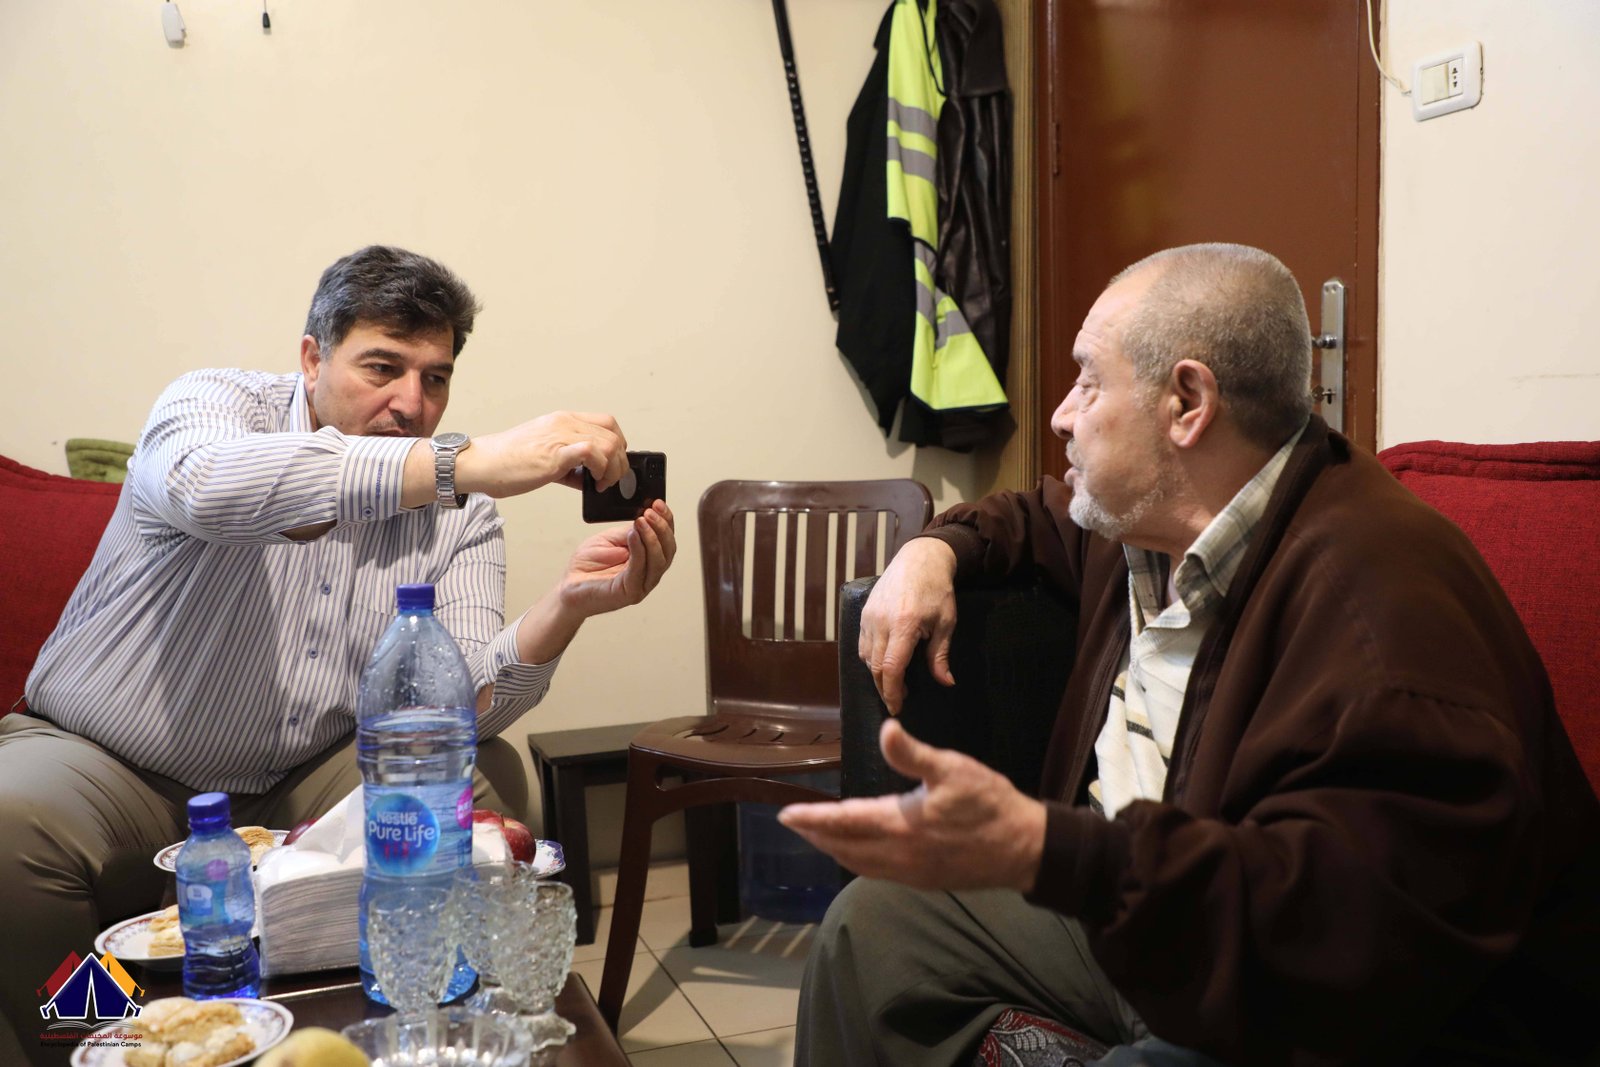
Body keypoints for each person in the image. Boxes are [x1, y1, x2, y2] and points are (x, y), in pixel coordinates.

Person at [780, 243, 1600, 1066]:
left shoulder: (1383, 625)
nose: (1061, 414)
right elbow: (1033, 515)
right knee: (870, 930)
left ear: (1186, 403)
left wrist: (1051, 848)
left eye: (1089, 381)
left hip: (1292, 987)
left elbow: (1328, 944)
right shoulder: (1149, 514)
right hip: (1140, 908)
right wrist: (932, 550)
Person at [0, 245, 677, 1064]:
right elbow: (208, 488)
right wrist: (464, 461)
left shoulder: (460, 510)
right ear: (312, 358)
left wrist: (566, 606)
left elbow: (451, 711)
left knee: (477, 780)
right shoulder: (214, 405)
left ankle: (410, 1038)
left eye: (436, 378)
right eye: (383, 367)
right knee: (9, 817)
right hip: (103, 761)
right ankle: (96, 1044)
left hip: (301, 776)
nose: (412, 404)